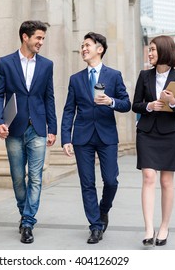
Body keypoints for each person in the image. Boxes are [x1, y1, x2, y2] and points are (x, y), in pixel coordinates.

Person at [61, 32, 131, 244]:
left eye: (87, 45)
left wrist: (111, 101)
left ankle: (104, 209)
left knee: (111, 180)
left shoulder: (114, 75)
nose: (83, 49)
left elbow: (126, 104)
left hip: (107, 135)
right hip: (82, 137)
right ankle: (95, 226)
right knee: (87, 183)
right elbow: (68, 110)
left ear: (99, 49)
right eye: (82, 46)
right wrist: (66, 138)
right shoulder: (75, 79)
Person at [0, 20, 57, 244]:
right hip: (14, 128)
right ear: (25, 37)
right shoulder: (5, 63)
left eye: (43, 39)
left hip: (38, 128)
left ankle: (28, 222)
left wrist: (52, 128)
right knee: (18, 178)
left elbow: (49, 97)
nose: (41, 42)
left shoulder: (47, 65)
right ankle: (24, 212)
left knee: (36, 178)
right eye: (38, 38)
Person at [132, 35, 175, 247]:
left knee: (166, 181)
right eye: (149, 49)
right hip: (147, 132)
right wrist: (149, 106)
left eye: (153, 50)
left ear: (164, 51)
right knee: (148, 177)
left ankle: (164, 226)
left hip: (169, 134)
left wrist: (173, 101)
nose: (149, 53)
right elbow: (135, 104)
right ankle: (149, 228)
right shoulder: (144, 75)